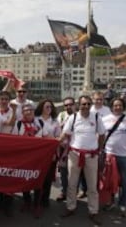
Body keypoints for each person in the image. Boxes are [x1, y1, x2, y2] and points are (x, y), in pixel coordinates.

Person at [59, 95, 106, 225]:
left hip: (91, 156)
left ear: (91, 105)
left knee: (92, 186)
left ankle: (93, 211)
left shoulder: (96, 117)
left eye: (88, 104)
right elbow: (65, 134)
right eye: (83, 104)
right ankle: (70, 207)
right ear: (78, 105)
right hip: (74, 155)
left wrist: (99, 149)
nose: (86, 106)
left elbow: (102, 135)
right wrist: (55, 143)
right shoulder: (73, 118)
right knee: (72, 184)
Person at [102, 98, 126, 217]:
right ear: (112, 107)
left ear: (123, 106)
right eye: (115, 105)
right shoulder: (105, 120)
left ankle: (122, 203)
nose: (118, 107)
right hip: (108, 155)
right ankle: (110, 202)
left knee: (124, 181)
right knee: (109, 180)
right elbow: (99, 136)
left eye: (120, 105)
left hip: (125, 156)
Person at [12, 104, 42, 212]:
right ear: (22, 113)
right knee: (25, 179)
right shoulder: (18, 124)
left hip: (38, 157)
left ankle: (37, 204)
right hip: (24, 157)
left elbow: (47, 137)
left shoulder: (41, 122)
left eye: (30, 110)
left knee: (38, 179)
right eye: (25, 110)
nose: (28, 112)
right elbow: (14, 140)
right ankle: (27, 201)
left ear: (34, 111)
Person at [33, 99, 61, 218]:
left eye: (50, 107)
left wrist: (53, 141)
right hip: (38, 154)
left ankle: (45, 199)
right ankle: (37, 200)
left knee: (48, 178)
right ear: (41, 108)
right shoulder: (35, 120)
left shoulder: (55, 121)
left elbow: (59, 136)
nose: (48, 109)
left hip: (51, 154)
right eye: (46, 107)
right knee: (38, 177)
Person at [56, 97, 77, 202]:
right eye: (66, 105)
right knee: (63, 171)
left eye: (70, 104)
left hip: (75, 148)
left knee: (74, 172)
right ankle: (64, 191)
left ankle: (74, 193)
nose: (68, 106)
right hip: (63, 148)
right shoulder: (61, 115)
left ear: (75, 105)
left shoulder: (79, 116)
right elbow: (58, 129)